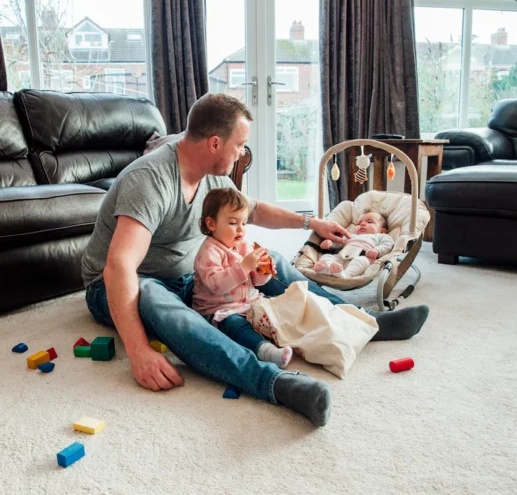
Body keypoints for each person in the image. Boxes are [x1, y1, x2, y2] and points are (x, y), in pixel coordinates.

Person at [81, 93, 429, 427]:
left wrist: (311, 222)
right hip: (116, 286)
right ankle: (272, 381)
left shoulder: (210, 171)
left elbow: (252, 210)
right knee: (157, 297)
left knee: (269, 258)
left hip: (192, 275)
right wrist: (138, 350)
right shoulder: (151, 180)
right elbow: (120, 267)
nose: (242, 153)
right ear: (215, 143)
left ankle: (364, 319)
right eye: (239, 145)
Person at [192, 187, 293, 368]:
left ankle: (293, 337)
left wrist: (263, 272)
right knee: (235, 325)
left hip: (249, 302)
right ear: (211, 224)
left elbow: (255, 282)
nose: (240, 229)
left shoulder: (243, 246)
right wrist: (244, 266)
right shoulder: (208, 252)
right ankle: (265, 351)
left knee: (276, 308)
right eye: (232, 223)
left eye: (244, 223)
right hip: (219, 310)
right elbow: (216, 285)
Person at [313, 211, 394, 277]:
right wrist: (330, 243)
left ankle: (345, 274)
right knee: (327, 256)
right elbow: (339, 242)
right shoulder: (350, 235)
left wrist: (377, 250)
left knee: (360, 261)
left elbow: (388, 244)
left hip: (363, 256)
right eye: (358, 223)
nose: (362, 224)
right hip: (342, 255)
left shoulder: (380, 236)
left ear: (382, 230)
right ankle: (325, 268)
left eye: (369, 222)